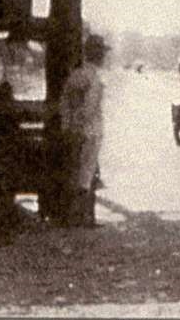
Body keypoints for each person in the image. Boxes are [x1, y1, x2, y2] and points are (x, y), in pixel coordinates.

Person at [58, 34, 107, 225]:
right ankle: (84, 216)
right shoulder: (93, 78)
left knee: (77, 171)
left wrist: (68, 124)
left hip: (75, 130)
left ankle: (75, 215)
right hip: (90, 131)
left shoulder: (76, 74)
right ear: (99, 55)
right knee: (87, 174)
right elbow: (89, 107)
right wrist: (81, 120)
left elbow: (65, 102)